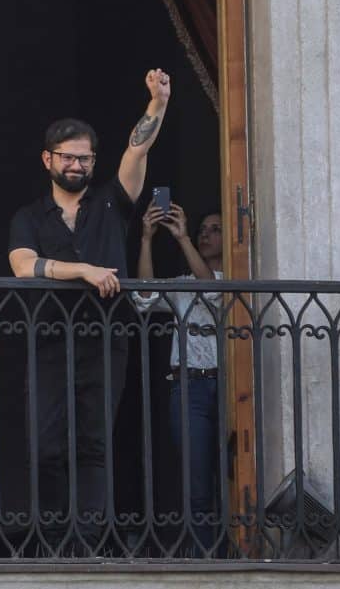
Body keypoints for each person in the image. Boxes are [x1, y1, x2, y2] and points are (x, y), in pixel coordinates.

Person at [7, 69, 171, 552]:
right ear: (48, 160)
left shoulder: (111, 204)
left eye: (85, 157)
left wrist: (157, 103)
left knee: (94, 445)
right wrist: (81, 270)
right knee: (45, 446)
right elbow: (22, 266)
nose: (77, 164)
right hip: (50, 342)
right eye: (68, 156)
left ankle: (89, 541)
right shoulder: (30, 217)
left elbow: (137, 150)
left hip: (106, 342)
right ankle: (54, 536)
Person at [134, 203, 223, 553]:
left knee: (233, 475)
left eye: (214, 228)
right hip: (189, 388)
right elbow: (144, 296)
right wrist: (146, 239)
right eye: (202, 228)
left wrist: (183, 237)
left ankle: (236, 549)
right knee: (197, 482)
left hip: (232, 387)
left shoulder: (238, 277)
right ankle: (206, 558)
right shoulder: (182, 285)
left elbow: (214, 290)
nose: (205, 233)